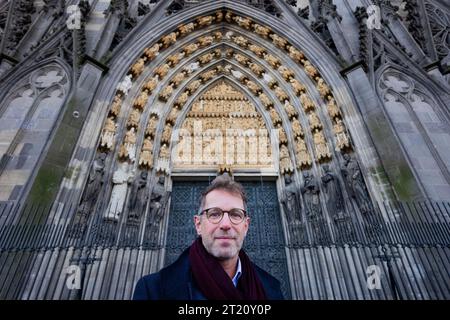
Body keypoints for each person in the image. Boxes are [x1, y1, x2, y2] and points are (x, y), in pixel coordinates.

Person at [133, 174, 284, 300]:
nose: (225, 224)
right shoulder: (153, 291)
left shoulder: (272, 289)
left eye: (235, 214)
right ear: (198, 224)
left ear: (246, 226)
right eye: (214, 214)